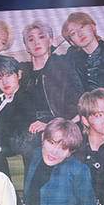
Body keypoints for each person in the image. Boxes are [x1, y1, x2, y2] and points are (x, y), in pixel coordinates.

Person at [14, 21, 82, 176]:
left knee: (34, 142)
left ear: (51, 41)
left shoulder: (62, 66)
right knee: (28, 139)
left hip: (57, 121)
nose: (36, 42)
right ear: (26, 47)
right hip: (27, 126)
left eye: (41, 37)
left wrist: (51, 126)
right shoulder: (23, 71)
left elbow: (76, 103)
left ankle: (37, 190)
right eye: (31, 39)